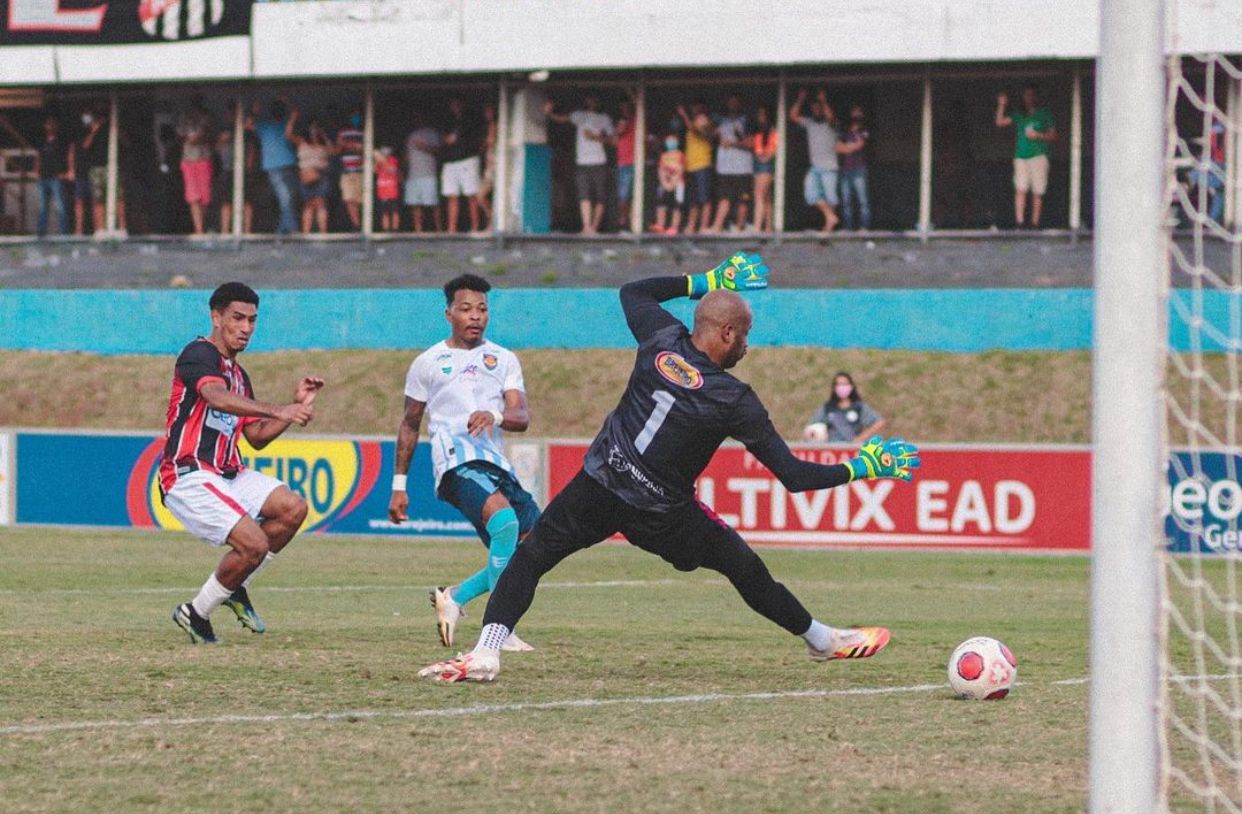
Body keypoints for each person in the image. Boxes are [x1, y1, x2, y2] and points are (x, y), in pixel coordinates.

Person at [418, 254, 920, 683]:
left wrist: (707, 281)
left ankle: (487, 649)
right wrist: (862, 467)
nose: (747, 346)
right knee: (744, 568)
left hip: (600, 482)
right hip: (662, 512)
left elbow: (633, 290)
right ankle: (821, 640)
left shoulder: (661, 337)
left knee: (533, 556)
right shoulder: (734, 398)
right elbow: (794, 476)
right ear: (727, 333)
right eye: (745, 336)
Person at [163, 282, 325, 644]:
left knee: (292, 509)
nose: (246, 327)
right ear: (216, 317)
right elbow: (215, 398)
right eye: (237, 318)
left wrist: (294, 408)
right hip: (188, 473)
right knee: (253, 544)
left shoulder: (238, 374)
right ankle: (197, 613)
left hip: (227, 473)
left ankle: (234, 589)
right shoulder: (198, 355)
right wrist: (277, 408)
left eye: (252, 320)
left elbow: (256, 438)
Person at [389, 274, 540, 652]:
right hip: (455, 461)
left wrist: (497, 416)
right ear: (449, 313)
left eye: (483, 309)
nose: (476, 316)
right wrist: (398, 487)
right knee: (505, 523)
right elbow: (410, 424)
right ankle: (497, 628)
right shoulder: (428, 362)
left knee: (532, 547)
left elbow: (520, 415)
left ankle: (455, 598)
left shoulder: (504, 358)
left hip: (495, 463)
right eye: (466, 309)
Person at [545, 94, 615, 236]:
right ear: (586, 100)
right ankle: (586, 227)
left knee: (600, 196)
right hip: (582, 162)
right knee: (584, 195)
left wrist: (595, 137)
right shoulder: (579, 116)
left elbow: (613, 140)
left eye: (594, 99)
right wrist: (549, 113)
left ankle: (594, 228)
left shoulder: (604, 118)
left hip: (599, 161)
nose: (592, 101)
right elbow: (562, 119)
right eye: (589, 99)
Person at [995, 85, 1057, 228]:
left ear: (1036, 97)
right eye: (1026, 95)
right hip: (1021, 156)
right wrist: (1001, 105)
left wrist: (1039, 135)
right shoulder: (1018, 114)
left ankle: (1035, 223)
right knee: (1020, 189)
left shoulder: (1044, 113)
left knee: (1038, 191)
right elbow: (999, 122)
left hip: (1039, 156)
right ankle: (1020, 222)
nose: (1029, 98)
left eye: (1031, 95)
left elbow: (1054, 135)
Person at [789, 88, 840, 233]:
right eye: (814, 108)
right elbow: (793, 116)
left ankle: (829, 226)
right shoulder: (809, 122)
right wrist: (800, 100)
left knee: (831, 197)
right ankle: (830, 217)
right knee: (810, 194)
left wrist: (824, 101)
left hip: (829, 167)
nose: (816, 110)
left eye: (819, 108)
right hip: (815, 167)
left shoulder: (832, 123)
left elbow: (830, 117)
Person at [249, 99, 300, 236]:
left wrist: (255, 112)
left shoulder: (265, 126)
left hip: (278, 166)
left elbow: (248, 124)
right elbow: (295, 112)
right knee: (286, 197)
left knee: (286, 198)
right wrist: (286, 99)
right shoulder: (273, 125)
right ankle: (290, 228)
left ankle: (283, 228)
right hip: (283, 165)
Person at [706, 94, 753, 234]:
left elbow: (751, 143)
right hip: (725, 168)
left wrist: (732, 143)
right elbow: (709, 136)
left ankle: (739, 228)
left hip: (742, 168)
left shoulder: (746, 121)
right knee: (724, 198)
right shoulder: (721, 121)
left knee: (742, 200)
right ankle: (717, 226)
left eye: (735, 102)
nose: (732, 105)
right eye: (730, 102)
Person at [801, 372, 886, 444]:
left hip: (851, 451)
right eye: (839, 384)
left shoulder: (859, 407)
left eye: (845, 384)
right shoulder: (828, 408)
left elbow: (879, 422)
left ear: (851, 386)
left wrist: (860, 439)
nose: (842, 387)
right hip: (833, 450)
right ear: (834, 388)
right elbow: (811, 427)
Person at [440, 97, 484, 234]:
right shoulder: (447, 121)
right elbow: (444, 139)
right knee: (452, 195)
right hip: (450, 161)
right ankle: (451, 229)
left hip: (468, 159)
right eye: (453, 104)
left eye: (457, 104)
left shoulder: (471, 119)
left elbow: (478, 139)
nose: (455, 107)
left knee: (471, 194)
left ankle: (475, 227)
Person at [677, 102, 715, 234]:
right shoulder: (693, 121)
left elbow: (696, 131)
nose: (694, 109)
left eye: (697, 106)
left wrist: (684, 116)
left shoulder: (705, 120)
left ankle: (704, 226)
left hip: (702, 164)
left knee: (704, 198)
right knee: (693, 200)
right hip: (690, 166)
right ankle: (691, 226)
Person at [177, 98, 214, 235]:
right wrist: (189, 138)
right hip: (188, 160)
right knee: (193, 196)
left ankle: (201, 228)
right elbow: (180, 135)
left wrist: (198, 137)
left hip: (204, 158)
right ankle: (198, 230)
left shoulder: (207, 117)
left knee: (204, 197)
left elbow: (209, 134)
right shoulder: (183, 117)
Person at [292, 118, 334, 234]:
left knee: (321, 203)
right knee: (308, 204)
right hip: (306, 175)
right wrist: (293, 117)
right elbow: (288, 135)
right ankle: (306, 233)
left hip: (321, 175)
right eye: (311, 127)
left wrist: (324, 135)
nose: (314, 130)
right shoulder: (301, 141)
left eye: (316, 127)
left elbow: (333, 151)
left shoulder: (323, 143)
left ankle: (323, 233)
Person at [404, 111, 442, 234]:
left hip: (428, 174)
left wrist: (422, 146)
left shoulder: (432, 133)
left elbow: (438, 150)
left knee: (433, 204)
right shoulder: (411, 135)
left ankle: (439, 230)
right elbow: (407, 155)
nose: (417, 120)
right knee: (415, 204)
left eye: (419, 118)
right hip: (413, 175)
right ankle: (418, 231)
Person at [35, 116, 71, 238]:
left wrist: (67, 171)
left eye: (52, 125)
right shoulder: (42, 142)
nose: (49, 127)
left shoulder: (61, 142)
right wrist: (36, 171)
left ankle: (63, 234)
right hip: (43, 178)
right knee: (42, 207)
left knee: (60, 206)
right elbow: (38, 157)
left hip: (56, 177)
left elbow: (68, 156)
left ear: (56, 127)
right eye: (47, 125)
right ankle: (41, 234)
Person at [838, 105, 872, 231]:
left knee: (863, 200)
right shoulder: (844, 130)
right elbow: (837, 147)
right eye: (854, 111)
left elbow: (860, 145)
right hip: (845, 169)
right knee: (846, 201)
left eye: (858, 112)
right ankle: (847, 228)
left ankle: (864, 227)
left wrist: (846, 147)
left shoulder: (864, 130)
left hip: (859, 169)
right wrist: (849, 147)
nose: (856, 114)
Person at [650, 131, 685, 236]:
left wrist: (672, 183)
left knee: (677, 205)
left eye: (673, 140)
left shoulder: (680, 155)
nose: (670, 142)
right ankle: (660, 225)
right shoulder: (663, 156)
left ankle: (674, 227)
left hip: (678, 184)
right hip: (664, 183)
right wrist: (664, 182)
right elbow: (660, 170)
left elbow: (680, 170)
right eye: (668, 140)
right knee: (661, 203)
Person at [336, 109, 365, 231]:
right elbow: (337, 149)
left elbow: (368, 148)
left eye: (358, 115)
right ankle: (356, 225)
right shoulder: (343, 132)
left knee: (360, 199)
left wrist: (354, 146)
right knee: (349, 199)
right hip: (347, 171)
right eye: (354, 116)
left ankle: (364, 225)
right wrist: (350, 146)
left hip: (362, 171)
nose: (356, 118)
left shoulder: (365, 131)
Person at [750, 106, 777, 233]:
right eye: (758, 115)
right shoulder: (758, 131)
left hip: (765, 165)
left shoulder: (772, 131)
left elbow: (772, 150)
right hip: (758, 163)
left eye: (762, 114)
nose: (760, 117)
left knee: (759, 195)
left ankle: (757, 226)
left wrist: (764, 157)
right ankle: (768, 227)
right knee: (766, 197)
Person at [614, 98, 637, 231]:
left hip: (635, 163)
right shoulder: (620, 123)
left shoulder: (636, 120)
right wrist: (619, 128)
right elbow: (614, 140)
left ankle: (632, 223)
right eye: (622, 107)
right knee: (623, 195)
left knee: (632, 195)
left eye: (626, 107)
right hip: (622, 164)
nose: (624, 109)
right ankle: (623, 222)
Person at [475, 103, 497, 233]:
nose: (487, 114)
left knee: (481, 196)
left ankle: (493, 221)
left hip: (495, 165)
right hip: (489, 165)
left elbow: (491, 141)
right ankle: (491, 221)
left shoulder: (494, 125)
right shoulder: (489, 126)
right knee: (481, 197)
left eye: (489, 111)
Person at [375, 145, 401, 232]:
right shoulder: (377, 162)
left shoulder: (392, 160)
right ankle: (386, 230)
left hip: (393, 191)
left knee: (395, 212)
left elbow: (392, 170)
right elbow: (374, 170)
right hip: (382, 192)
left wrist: (382, 160)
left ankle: (395, 229)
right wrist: (375, 160)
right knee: (384, 212)